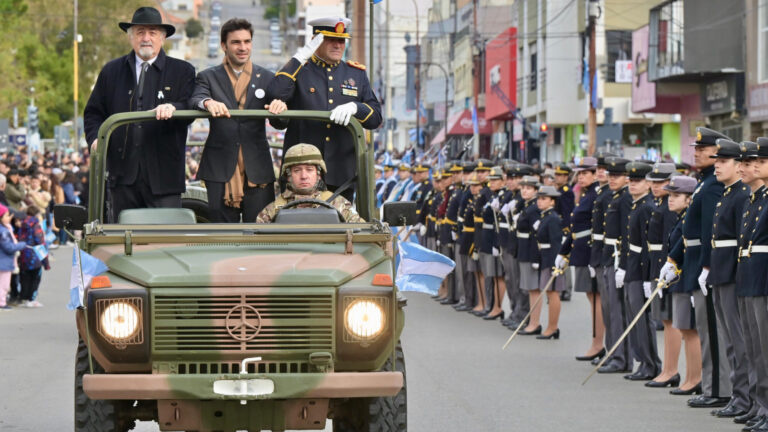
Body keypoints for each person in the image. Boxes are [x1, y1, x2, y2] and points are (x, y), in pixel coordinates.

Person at [83, 7, 195, 222]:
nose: (146, 38)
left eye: (152, 32)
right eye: (140, 32)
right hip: (122, 177)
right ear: (131, 37)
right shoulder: (111, 71)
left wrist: (175, 108)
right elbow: (93, 112)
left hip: (165, 178)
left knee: (165, 241)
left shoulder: (183, 71)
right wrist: (96, 138)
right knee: (123, 239)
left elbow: (191, 106)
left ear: (162, 38)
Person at [267, 16, 382, 201]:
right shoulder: (300, 70)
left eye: (341, 40)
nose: (338, 45)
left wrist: (356, 107)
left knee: (339, 226)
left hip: (341, 172)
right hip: (301, 172)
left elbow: (376, 118)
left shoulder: (356, 74)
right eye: (331, 39)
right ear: (316, 40)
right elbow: (275, 94)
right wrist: (299, 57)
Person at [190, 18, 288, 222]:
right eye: (236, 42)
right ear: (224, 46)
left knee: (261, 233)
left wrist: (282, 107)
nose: (242, 47)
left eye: (247, 41)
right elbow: (196, 98)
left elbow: (281, 123)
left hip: (257, 167)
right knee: (221, 235)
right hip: (219, 168)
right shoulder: (208, 76)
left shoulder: (268, 77)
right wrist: (208, 103)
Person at [663, 127, 731, 409]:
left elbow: (708, 231)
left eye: (705, 149)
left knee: (712, 331)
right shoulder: (703, 182)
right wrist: (673, 260)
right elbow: (686, 231)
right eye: (697, 149)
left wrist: (705, 266)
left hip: (703, 263)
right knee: (705, 329)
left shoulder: (713, 184)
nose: (698, 152)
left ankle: (718, 388)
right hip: (691, 261)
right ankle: (712, 385)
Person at [705, 138, 751, 417]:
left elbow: (739, 240)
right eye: (717, 162)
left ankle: (745, 397)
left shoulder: (742, 195)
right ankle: (739, 394)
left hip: (733, 273)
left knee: (739, 339)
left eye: (723, 162)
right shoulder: (727, 193)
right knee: (731, 339)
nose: (717, 166)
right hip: (720, 271)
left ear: (737, 165)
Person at [659, 175, 703, 397]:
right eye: (670, 195)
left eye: (676, 196)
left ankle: (695, 378)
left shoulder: (688, 219)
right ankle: (690, 377)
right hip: (680, 278)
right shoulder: (681, 218)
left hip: (688, 278)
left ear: (689, 199)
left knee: (690, 329)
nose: (670, 199)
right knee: (685, 327)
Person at [733, 140, 767, 426]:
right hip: (748, 275)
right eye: (745, 163)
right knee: (754, 346)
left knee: (765, 348)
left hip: (763, 278)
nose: (749, 167)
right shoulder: (753, 199)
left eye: (757, 162)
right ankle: (759, 405)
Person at [556, 157, 603, 359]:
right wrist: (564, 251)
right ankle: (597, 342)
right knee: (592, 298)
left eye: (585, 173)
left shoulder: (596, 196)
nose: (581, 177)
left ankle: (598, 343)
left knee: (597, 300)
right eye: (580, 173)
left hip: (591, 252)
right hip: (581, 250)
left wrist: (595, 258)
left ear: (595, 175)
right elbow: (576, 227)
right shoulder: (586, 195)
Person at [619, 161, 662, 381]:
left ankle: (650, 363)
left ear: (647, 184)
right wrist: (623, 267)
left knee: (641, 319)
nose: (633, 185)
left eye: (638, 181)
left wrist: (647, 277)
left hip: (641, 269)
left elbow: (648, 245)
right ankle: (642, 361)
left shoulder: (646, 207)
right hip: (632, 266)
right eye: (631, 181)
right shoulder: (636, 205)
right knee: (633, 316)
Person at [256, 144, 363, 223]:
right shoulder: (273, 210)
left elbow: (362, 233)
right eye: (297, 170)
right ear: (288, 176)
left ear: (319, 174)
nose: (304, 176)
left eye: (309, 169)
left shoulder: (338, 204)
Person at [644, 163, 681, 388]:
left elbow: (669, 242)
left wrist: (667, 268)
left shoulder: (668, 208)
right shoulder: (660, 204)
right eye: (654, 182)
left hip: (666, 266)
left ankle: (671, 369)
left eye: (661, 183)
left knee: (670, 320)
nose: (656, 186)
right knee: (665, 320)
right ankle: (667, 368)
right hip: (657, 264)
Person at [597, 157, 633, 374]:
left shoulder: (626, 199)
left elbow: (628, 233)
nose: (612, 179)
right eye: (610, 175)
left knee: (617, 311)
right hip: (609, 255)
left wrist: (624, 265)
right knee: (609, 310)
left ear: (627, 178)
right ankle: (613, 353)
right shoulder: (613, 197)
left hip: (619, 256)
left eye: (617, 176)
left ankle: (621, 358)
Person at [529, 185, 564, 339]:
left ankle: (552, 327)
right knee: (549, 292)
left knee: (553, 293)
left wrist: (555, 264)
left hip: (551, 258)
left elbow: (556, 242)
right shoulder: (545, 216)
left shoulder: (553, 218)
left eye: (544, 199)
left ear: (552, 202)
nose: (539, 201)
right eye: (539, 198)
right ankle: (551, 327)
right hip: (544, 257)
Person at [479, 167, 506, 320]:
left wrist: (497, 243)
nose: (492, 183)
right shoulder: (493, 196)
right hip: (488, 237)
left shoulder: (502, 197)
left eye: (495, 180)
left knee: (498, 275)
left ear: (503, 181)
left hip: (496, 238)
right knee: (492, 274)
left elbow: (499, 223)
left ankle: (498, 307)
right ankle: (493, 305)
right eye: (491, 180)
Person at [517, 175, 543, 335]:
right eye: (523, 188)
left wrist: (535, 257)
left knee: (534, 289)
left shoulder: (534, 208)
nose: (525, 191)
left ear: (535, 191)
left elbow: (537, 234)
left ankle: (535, 323)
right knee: (529, 288)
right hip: (523, 250)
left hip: (529, 252)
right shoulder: (527, 206)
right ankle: (531, 321)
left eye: (528, 188)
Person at [17, 205, 48, 308]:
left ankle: (24, 298)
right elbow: (40, 242)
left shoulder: (22, 224)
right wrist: (46, 262)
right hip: (35, 255)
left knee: (25, 277)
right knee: (35, 278)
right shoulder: (36, 225)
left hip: (23, 254)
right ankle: (32, 299)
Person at [0, 204, 26, 310]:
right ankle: (2, 302)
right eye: (6, 216)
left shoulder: (5, 229)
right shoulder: (3, 232)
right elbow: (9, 247)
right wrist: (21, 245)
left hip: (4, 261)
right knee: (4, 284)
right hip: (4, 261)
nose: (9, 218)